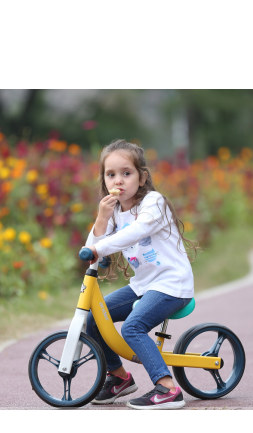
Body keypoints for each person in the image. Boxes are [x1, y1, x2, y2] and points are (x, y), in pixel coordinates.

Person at [82, 139, 199, 410]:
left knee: (133, 327)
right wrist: (101, 219)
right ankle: (119, 377)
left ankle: (168, 389)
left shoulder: (153, 203)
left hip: (171, 285)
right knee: (95, 318)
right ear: (104, 179)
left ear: (142, 177)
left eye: (126, 173)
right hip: (144, 286)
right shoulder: (113, 213)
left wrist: (97, 248)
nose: (118, 180)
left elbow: (135, 232)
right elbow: (92, 247)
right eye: (111, 174)